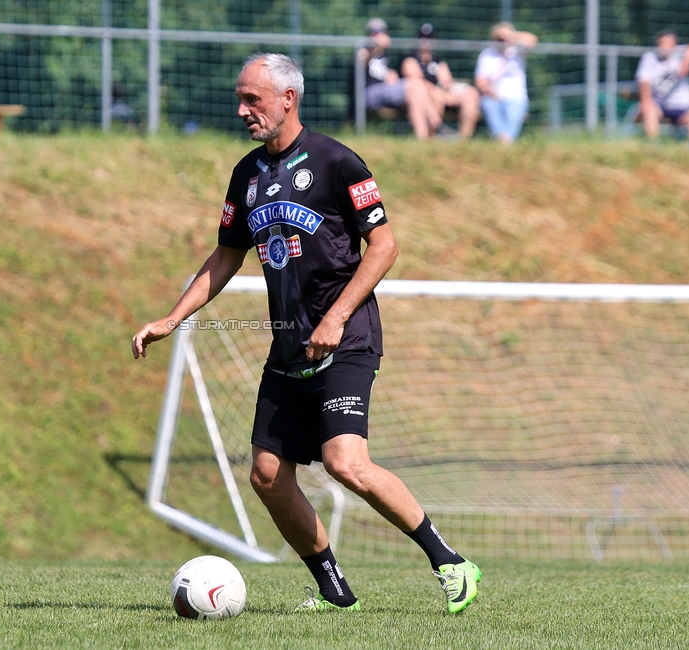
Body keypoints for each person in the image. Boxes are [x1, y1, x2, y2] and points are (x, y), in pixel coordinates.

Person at [133, 52, 482, 615]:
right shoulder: (246, 174)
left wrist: (336, 316)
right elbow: (226, 256)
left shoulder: (338, 162)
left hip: (346, 336)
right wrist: (172, 318)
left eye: (254, 99)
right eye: (240, 98)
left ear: (287, 99)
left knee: (346, 463)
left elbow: (385, 247)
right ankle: (335, 592)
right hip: (288, 346)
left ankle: (451, 562)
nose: (243, 109)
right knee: (267, 476)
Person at [358, 17, 442, 139]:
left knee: (415, 95)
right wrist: (374, 47)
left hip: (389, 90)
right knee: (416, 83)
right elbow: (362, 62)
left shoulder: (387, 53)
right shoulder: (362, 49)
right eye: (375, 32)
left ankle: (423, 139)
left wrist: (392, 74)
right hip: (370, 93)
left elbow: (392, 74)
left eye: (382, 32)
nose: (378, 35)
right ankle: (437, 123)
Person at [400, 23, 481, 139]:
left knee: (471, 94)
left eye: (429, 38)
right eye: (423, 37)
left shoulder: (438, 61)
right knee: (435, 96)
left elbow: (447, 81)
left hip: (440, 94)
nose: (426, 41)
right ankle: (433, 135)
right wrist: (439, 92)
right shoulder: (410, 59)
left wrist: (449, 92)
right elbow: (417, 82)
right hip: (423, 96)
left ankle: (463, 139)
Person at [634, 30, 689, 147]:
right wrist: (645, 103)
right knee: (649, 109)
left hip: (680, 107)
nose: (665, 46)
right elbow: (644, 84)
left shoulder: (680, 54)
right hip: (659, 105)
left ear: (675, 45)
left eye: (668, 43)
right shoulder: (649, 58)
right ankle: (653, 146)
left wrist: (686, 61)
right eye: (662, 43)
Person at [474, 22, 537, 145]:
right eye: (499, 38)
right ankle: (506, 141)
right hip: (492, 97)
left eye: (503, 38)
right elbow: (480, 81)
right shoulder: (487, 55)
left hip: (516, 97)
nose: (501, 41)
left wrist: (511, 35)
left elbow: (533, 40)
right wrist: (492, 93)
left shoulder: (517, 51)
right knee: (488, 105)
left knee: (514, 113)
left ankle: (503, 141)